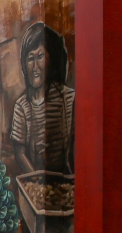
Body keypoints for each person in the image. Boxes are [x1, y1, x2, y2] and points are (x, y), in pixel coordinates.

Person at [11, 22, 75, 174]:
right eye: (30, 59)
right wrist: (36, 181)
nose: (35, 67)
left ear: (50, 58)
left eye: (40, 57)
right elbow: (20, 153)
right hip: (35, 185)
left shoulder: (68, 98)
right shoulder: (22, 106)